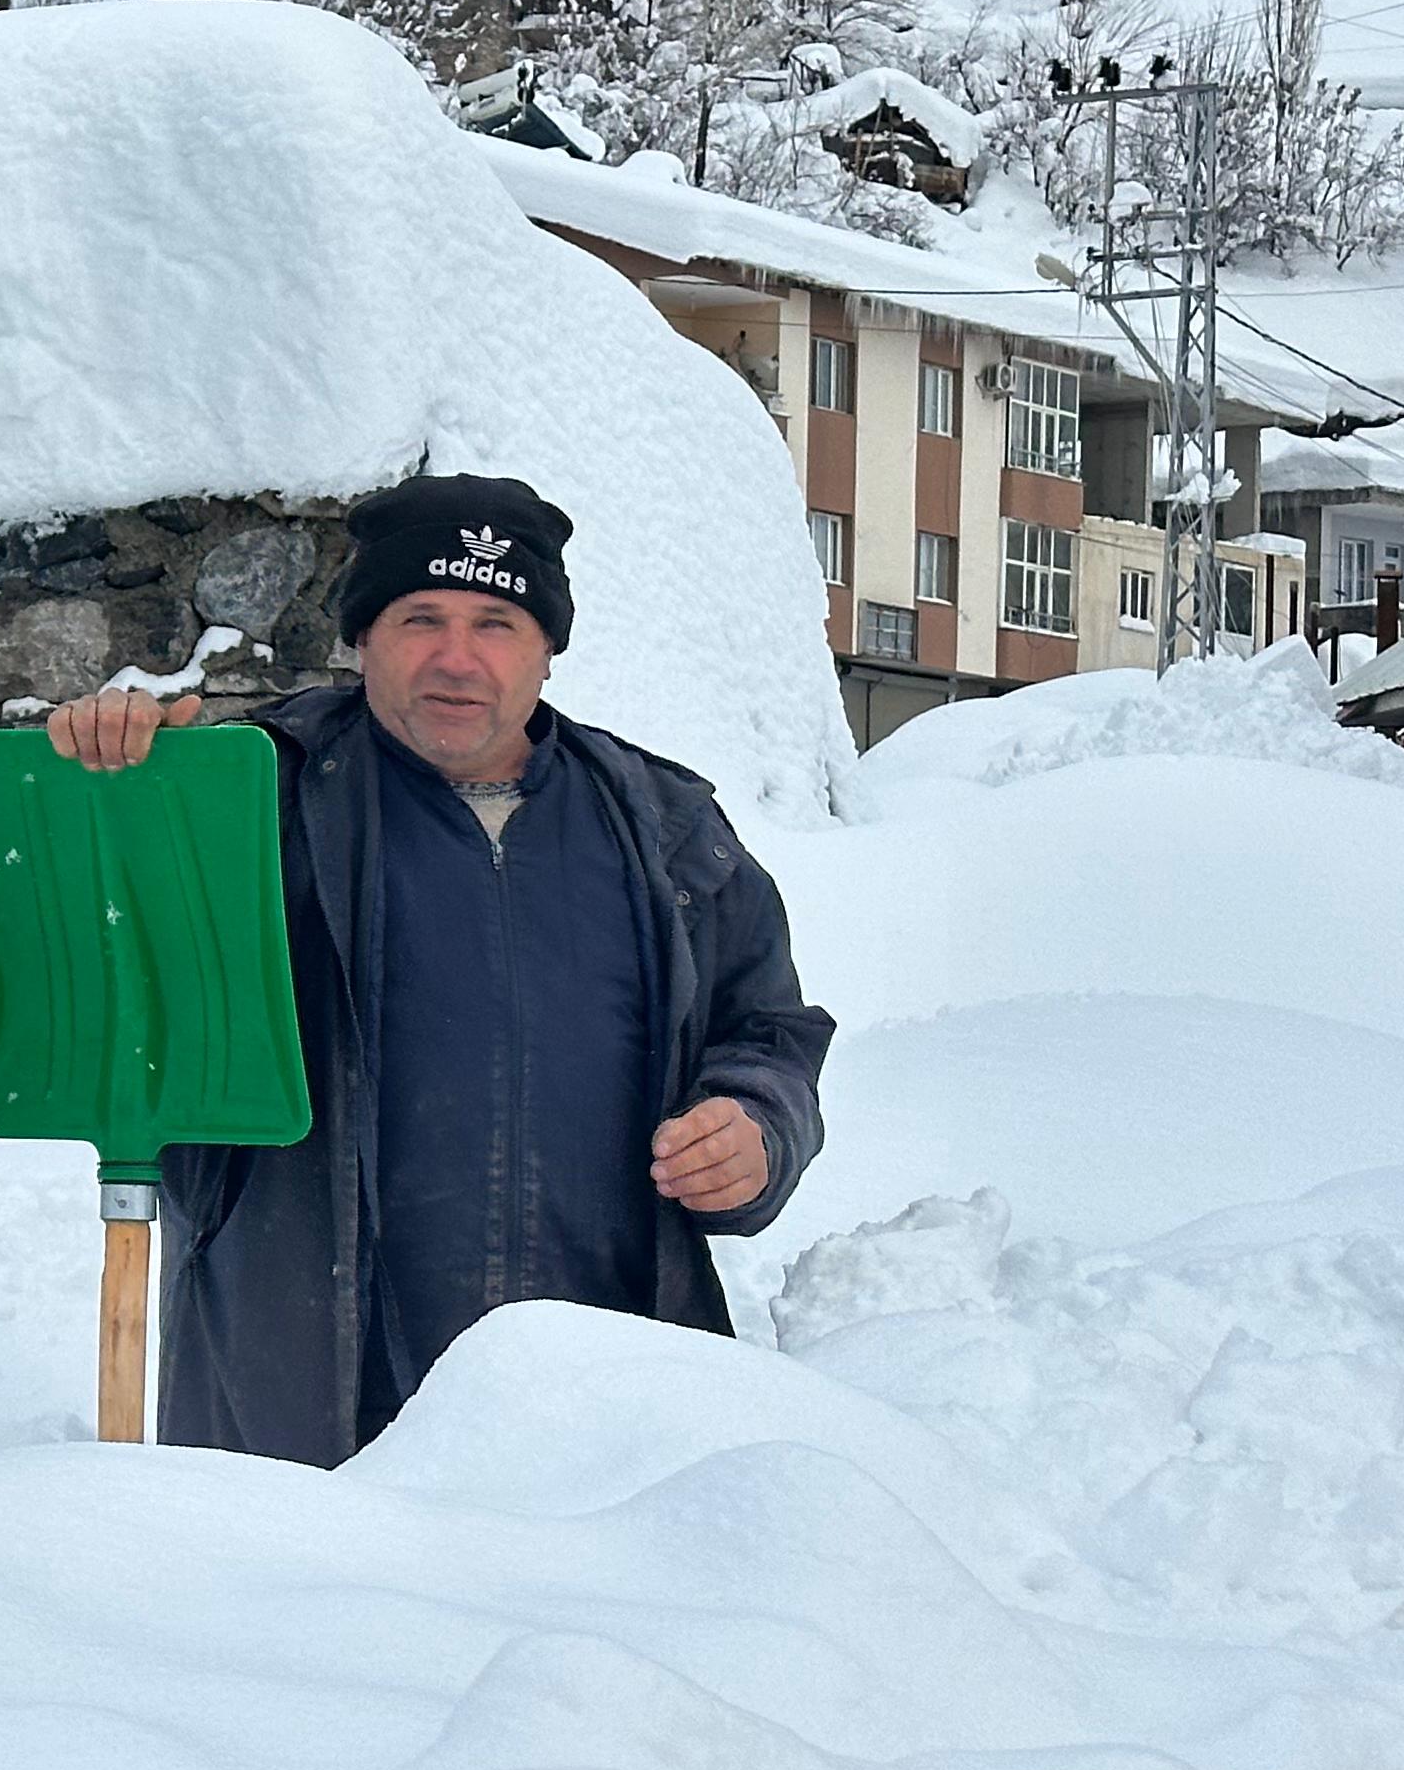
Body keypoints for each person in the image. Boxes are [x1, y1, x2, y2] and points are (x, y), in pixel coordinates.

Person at [43, 471, 830, 1467]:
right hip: (299, 1423)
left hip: (602, 1430)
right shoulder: (249, 803)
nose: (457, 659)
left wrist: (757, 1127)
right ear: (362, 637)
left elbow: (766, 1032)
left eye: (496, 623)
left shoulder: (665, 832)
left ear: (547, 649)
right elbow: (94, 988)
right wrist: (113, 790)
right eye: (421, 618)